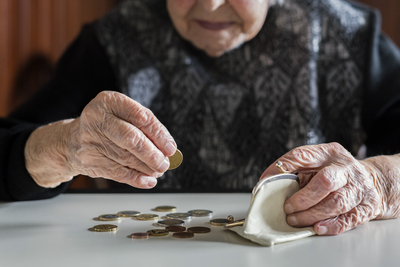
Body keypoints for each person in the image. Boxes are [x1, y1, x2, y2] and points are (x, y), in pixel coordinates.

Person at [1, 0, 400, 236]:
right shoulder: (114, 39)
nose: (208, 5)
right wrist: (61, 147)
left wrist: (380, 181)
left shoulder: (350, 37)